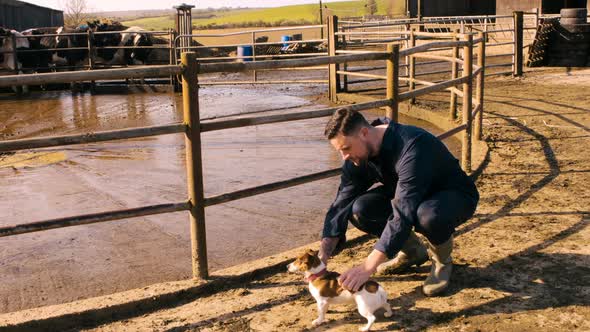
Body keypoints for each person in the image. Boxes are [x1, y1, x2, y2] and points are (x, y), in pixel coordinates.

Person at [319, 108, 479, 296]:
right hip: (410, 195)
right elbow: (341, 202)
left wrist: (367, 267)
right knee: (359, 209)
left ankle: (442, 262)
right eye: (340, 151)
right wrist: (323, 255)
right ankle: (413, 252)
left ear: (364, 132)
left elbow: (403, 211)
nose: (344, 157)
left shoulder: (411, 145)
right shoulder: (358, 156)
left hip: (451, 194)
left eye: (346, 148)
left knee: (427, 216)